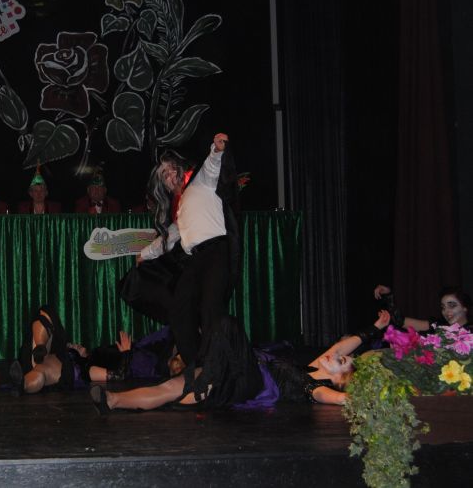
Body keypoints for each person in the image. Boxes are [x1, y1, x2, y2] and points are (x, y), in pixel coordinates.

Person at [90, 310, 391, 414]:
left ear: (339, 378)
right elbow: (342, 344)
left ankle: (205, 383)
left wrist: (364, 399)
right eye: (339, 354)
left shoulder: (315, 386)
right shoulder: (312, 365)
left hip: (251, 382)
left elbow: (336, 398)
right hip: (234, 373)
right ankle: (113, 401)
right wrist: (375, 328)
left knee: (227, 324)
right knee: (169, 387)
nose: (334, 354)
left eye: (340, 361)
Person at [119, 133, 240, 367]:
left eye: (171, 170)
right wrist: (144, 254)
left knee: (210, 311)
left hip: (216, 252)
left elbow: (211, 166)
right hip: (195, 259)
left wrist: (216, 149)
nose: (169, 176)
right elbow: (170, 236)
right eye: (164, 175)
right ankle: (196, 367)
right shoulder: (181, 207)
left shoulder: (200, 181)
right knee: (179, 312)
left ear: (180, 167)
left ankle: (214, 369)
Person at [9, 306, 74, 394]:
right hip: (43, 361)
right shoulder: (28, 345)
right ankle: (22, 384)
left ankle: (22, 384)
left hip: (53, 366)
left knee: (40, 373)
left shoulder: (63, 353)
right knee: (39, 373)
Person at [372, 284, 471, 332]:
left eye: (452, 305)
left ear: (465, 308)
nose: (446, 311)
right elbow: (398, 320)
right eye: (443, 307)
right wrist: (388, 294)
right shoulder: (438, 327)